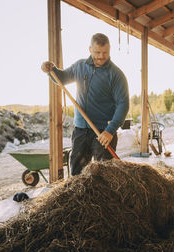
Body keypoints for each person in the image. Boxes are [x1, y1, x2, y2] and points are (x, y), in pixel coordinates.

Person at [41, 33, 129, 175]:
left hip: (102, 132)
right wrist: (51, 71)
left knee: (105, 177)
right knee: (77, 174)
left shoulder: (116, 74)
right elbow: (61, 79)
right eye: (97, 52)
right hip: (80, 131)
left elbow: (123, 104)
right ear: (90, 49)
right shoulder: (80, 66)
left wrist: (110, 130)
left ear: (110, 50)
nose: (101, 56)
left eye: (105, 52)